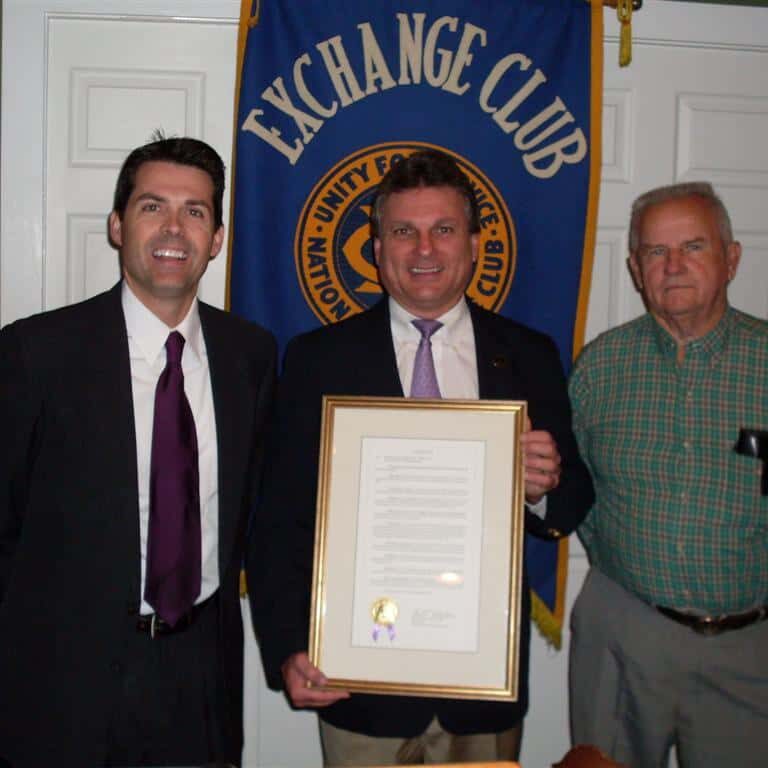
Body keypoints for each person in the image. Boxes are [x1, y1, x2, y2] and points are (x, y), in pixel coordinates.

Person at [248, 149, 594, 766]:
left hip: (481, 689)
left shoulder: (529, 355)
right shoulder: (316, 360)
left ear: (476, 244)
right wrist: (288, 647)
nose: (424, 250)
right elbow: (278, 520)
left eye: (444, 230)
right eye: (404, 232)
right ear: (377, 249)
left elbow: (574, 500)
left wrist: (542, 485)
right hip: (358, 683)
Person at [0, 134, 276, 767]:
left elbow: (259, 513)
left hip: (200, 676)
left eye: (196, 211)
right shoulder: (35, 354)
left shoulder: (250, 356)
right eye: (153, 207)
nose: (174, 228)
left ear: (218, 237)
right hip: (61, 685)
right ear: (117, 225)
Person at [568, 181, 768, 768]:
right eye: (656, 252)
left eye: (694, 247)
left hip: (750, 646)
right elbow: (569, 487)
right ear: (635, 267)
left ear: (731, 258)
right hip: (622, 632)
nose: (673, 266)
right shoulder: (599, 366)